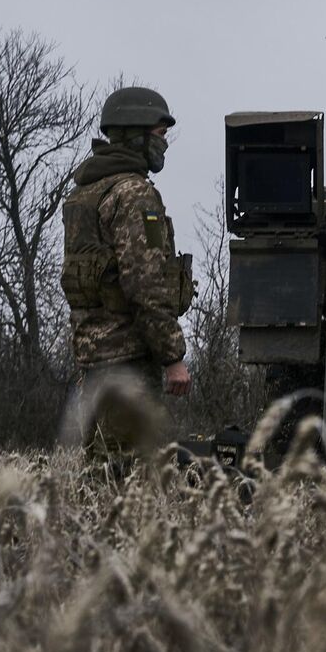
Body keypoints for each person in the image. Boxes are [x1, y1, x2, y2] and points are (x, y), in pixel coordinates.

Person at [61, 86, 194, 472]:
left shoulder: (86, 192)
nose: (164, 145)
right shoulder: (134, 194)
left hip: (93, 357)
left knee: (103, 471)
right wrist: (173, 357)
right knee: (129, 477)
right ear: (135, 135)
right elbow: (144, 283)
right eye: (159, 135)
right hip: (129, 360)